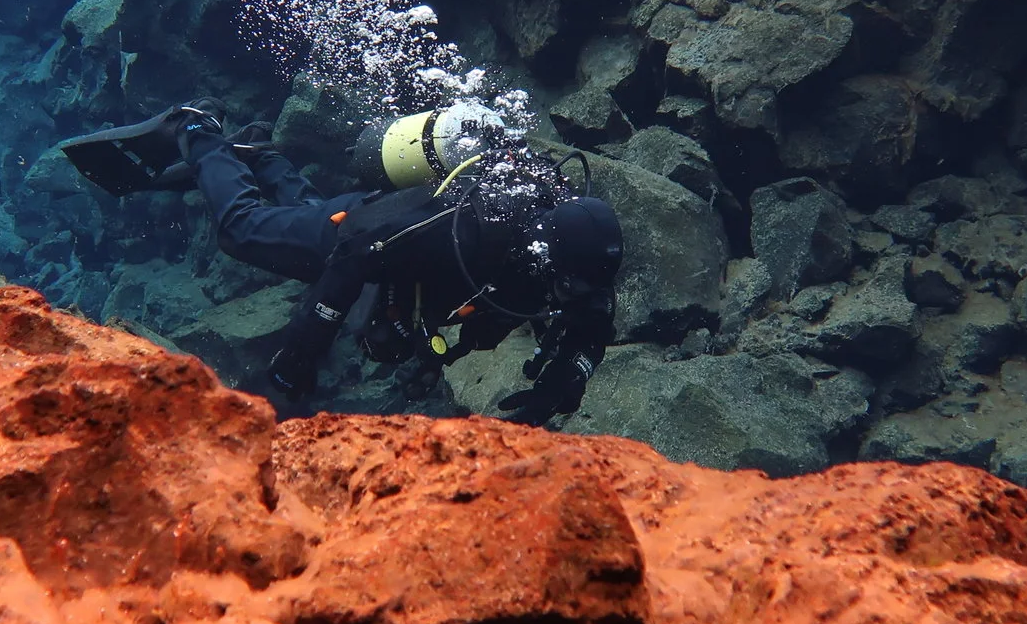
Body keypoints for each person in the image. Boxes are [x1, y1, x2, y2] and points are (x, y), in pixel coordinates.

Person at [64, 101, 622, 422]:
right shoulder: (468, 229)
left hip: (393, 250)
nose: (565, 301)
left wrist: (557, 389)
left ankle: (260, 155)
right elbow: (358, 253)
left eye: (574, 289)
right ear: (537, 253)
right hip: (367, 232)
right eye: (564, 287)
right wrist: (297, 360)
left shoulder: (575, 262)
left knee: (312, 217)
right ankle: (196, 130)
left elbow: (593, 325)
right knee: (243, 231)